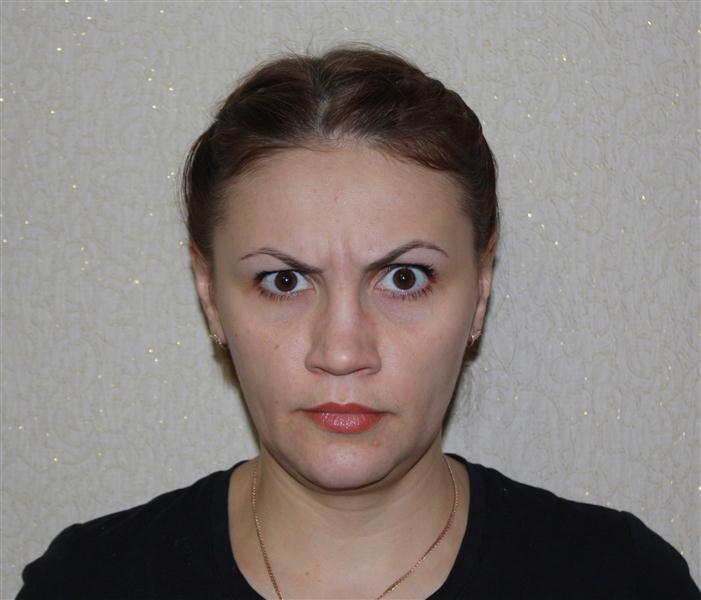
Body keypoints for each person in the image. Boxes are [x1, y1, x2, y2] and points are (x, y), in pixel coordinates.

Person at [17, 44, 699, 600]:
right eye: (283, 281)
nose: (342, 351)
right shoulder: (87, 584)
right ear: (210, 295)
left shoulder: (621, 580)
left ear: (481, 289)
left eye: (404, 278)